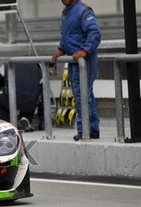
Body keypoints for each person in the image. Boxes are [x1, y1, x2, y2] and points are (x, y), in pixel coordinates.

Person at [52, 0, 101, 141]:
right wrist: (61, 49)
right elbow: (68, 35)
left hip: (84, 60)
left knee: (83, 94)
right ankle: (89, 129)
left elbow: (95, 34)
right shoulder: (66, 12)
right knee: (81, 95)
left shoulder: (83, 10)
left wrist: (84, 51)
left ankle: (87, 129)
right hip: (74, 60)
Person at [0, 63, 43, 131]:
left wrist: (4, 83)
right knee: (34, 96)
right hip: (30, 103)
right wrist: (43, 123)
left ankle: (7, 123)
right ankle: (26, 118)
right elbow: (43, 90)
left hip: (12, 99)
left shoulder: (8, 64)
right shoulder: (38, 67)